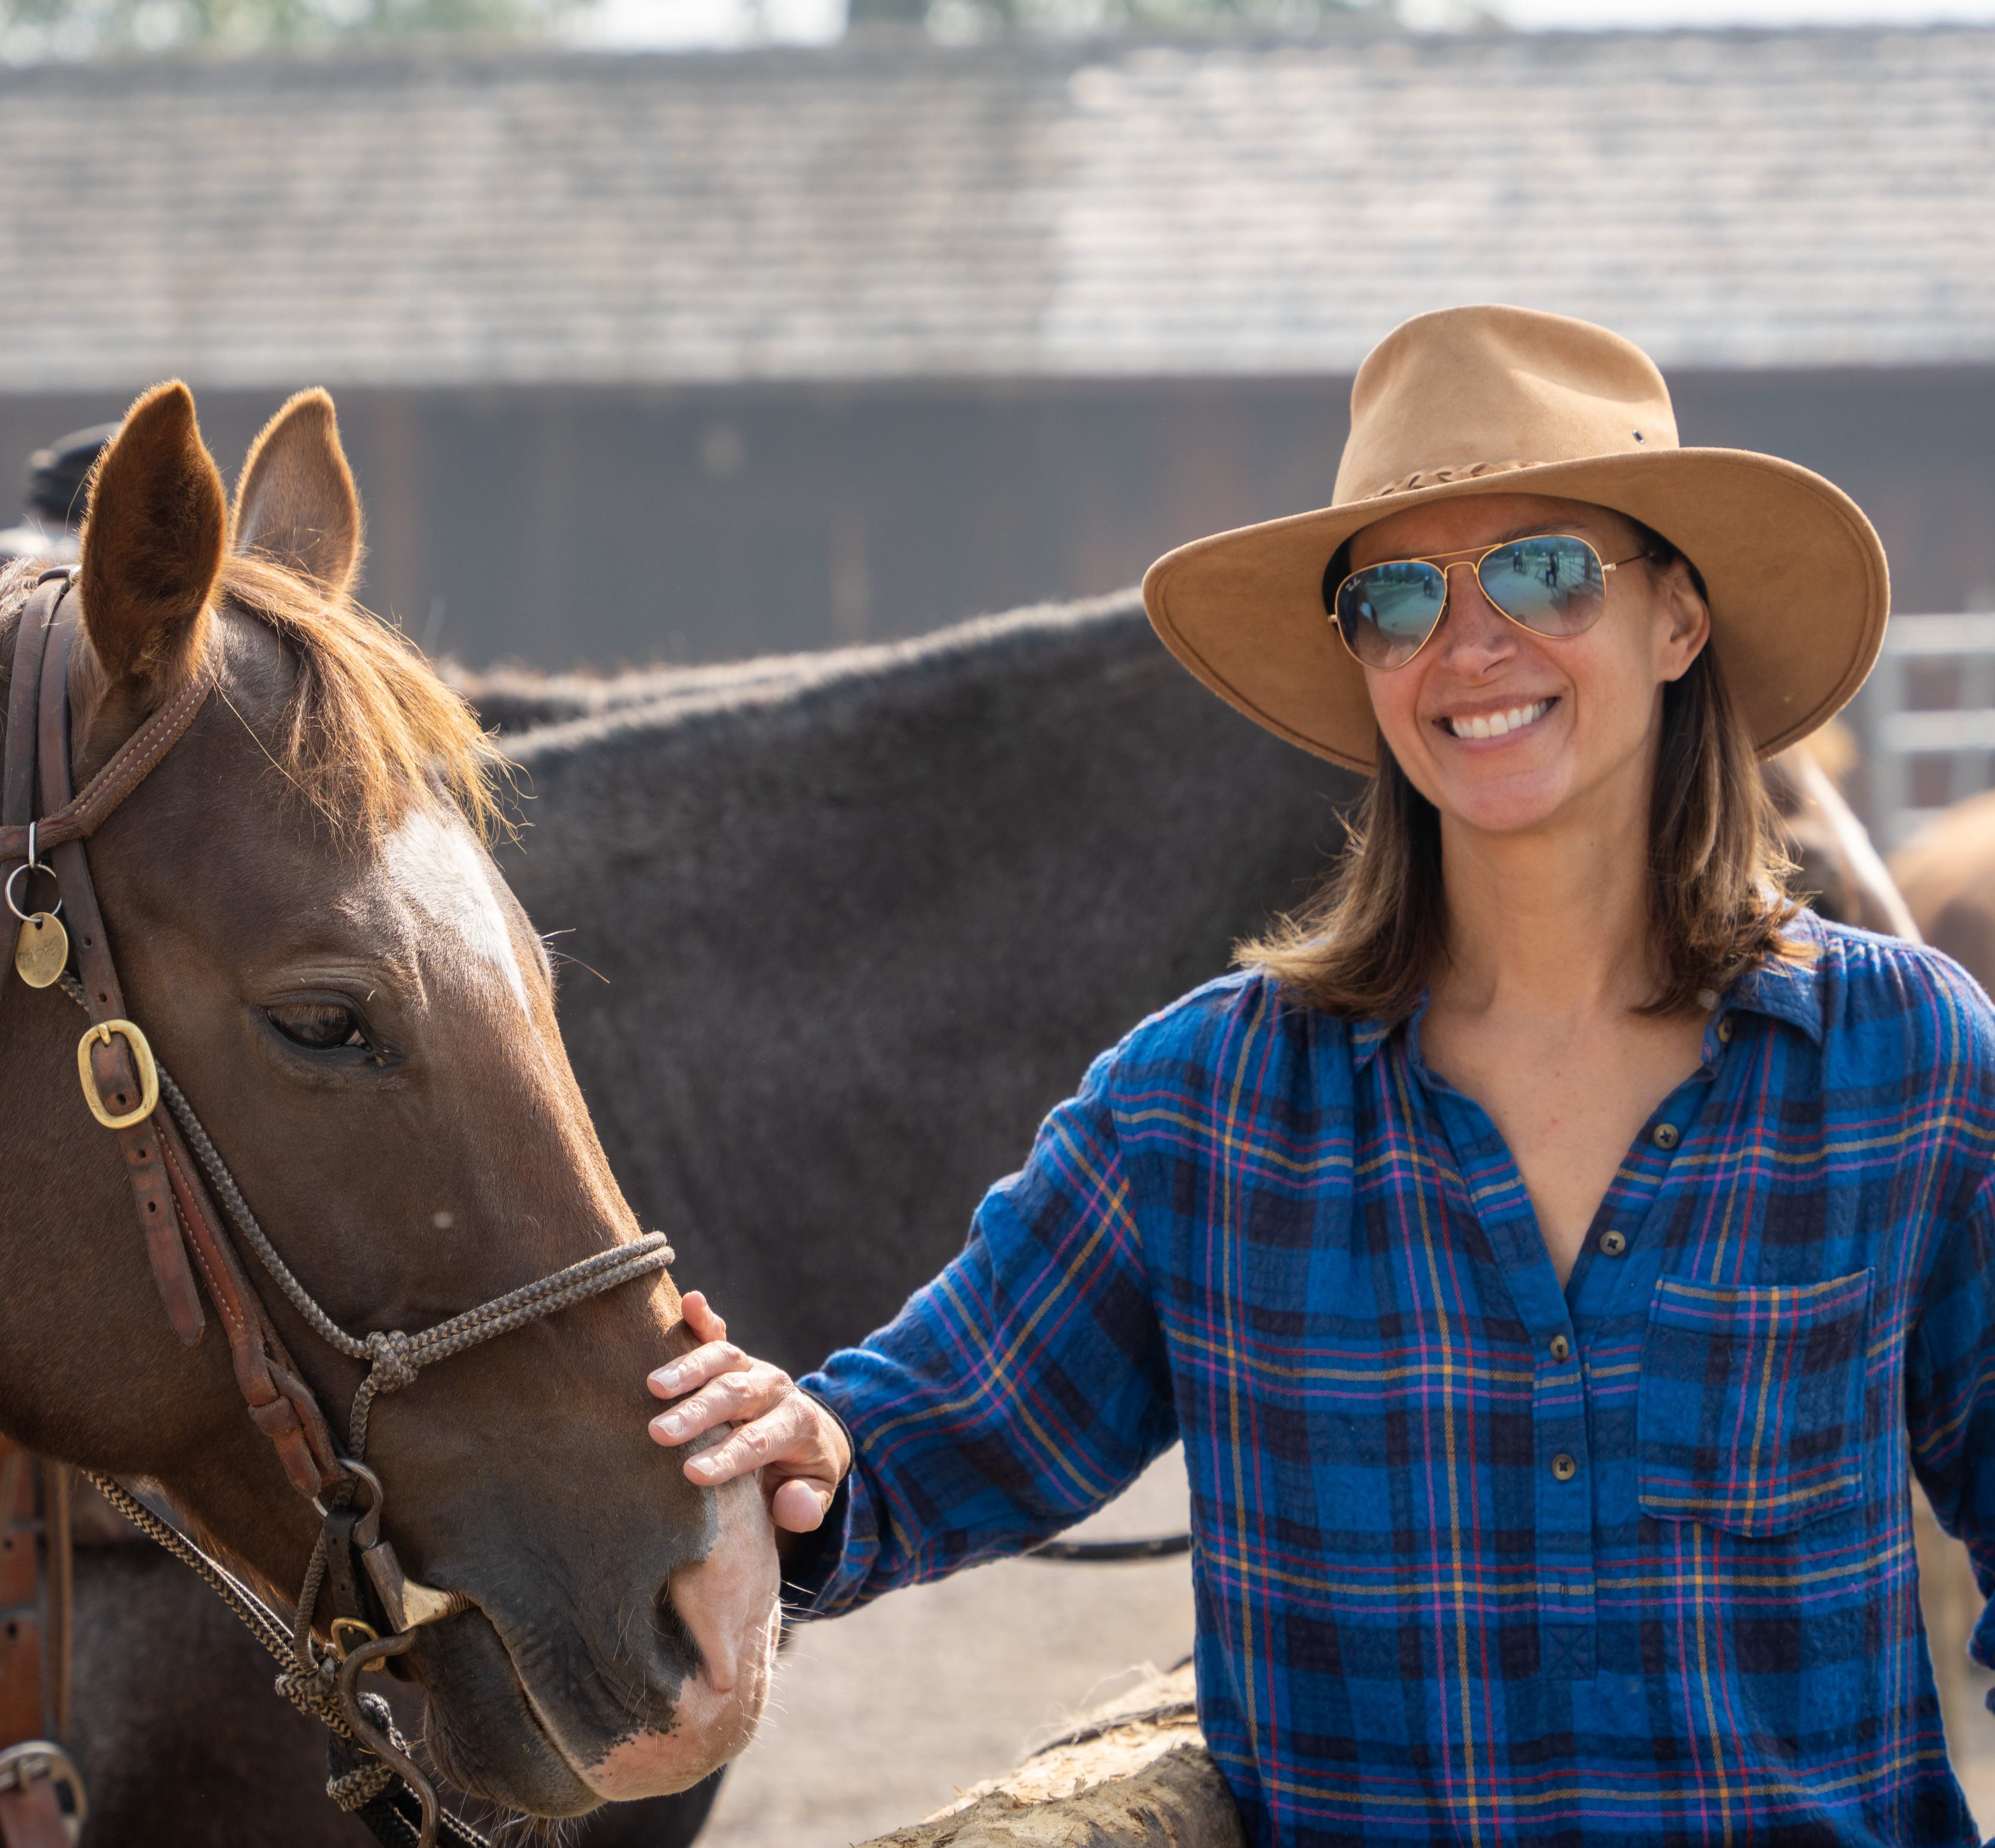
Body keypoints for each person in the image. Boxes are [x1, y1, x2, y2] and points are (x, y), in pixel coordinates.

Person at [643, 305, 1994, 1844]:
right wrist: (794, 1446)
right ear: (1364, 662)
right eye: (1397, 597)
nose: (1468, 644)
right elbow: (920, 1437)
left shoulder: (1905, 1068)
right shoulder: (1202, 1110)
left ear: (1677, 621)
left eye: (1545, 571)